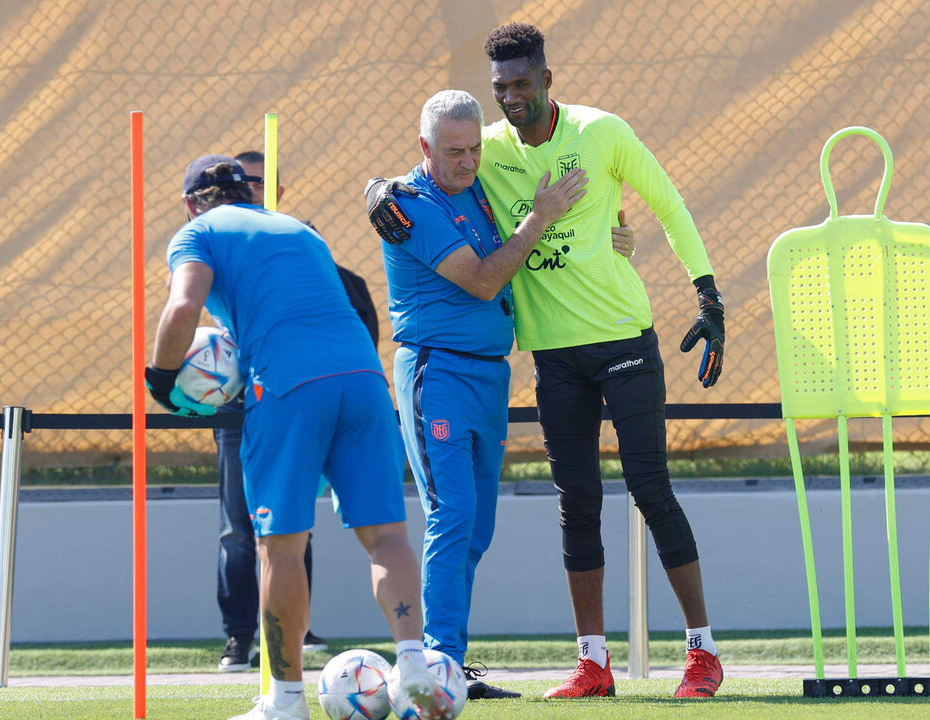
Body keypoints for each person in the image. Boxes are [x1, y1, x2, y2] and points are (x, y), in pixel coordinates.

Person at [366, 22, 727, 700]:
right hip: (534, 360)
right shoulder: (483, 154)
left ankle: (702, 653)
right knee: (566, 505)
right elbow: (431, 185)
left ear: (548, 80)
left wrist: (706, 292)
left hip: (621, 341)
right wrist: (377, 189)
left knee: (647, 490)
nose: (512, 100)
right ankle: (582, 664)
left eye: (523, 85)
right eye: (501, 88)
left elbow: (666, 202)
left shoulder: (596, 132)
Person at [146, 155, 451, 720]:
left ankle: (286, 702)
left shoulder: (196, 233)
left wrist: (162, 381)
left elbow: (184, 305)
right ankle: (412, 667)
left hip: (288, 385)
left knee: (279, 546)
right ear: (252, 193)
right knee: (387, 537)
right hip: (363, 381)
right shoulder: (295, 229)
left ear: (190, 204)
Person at [378, 89, 586, 700]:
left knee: (478, 526)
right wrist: (538, 218)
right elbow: (484, 277)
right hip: (436, 373)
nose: (468, 162)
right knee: (453, 513)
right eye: (453, 152)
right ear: (424, 148)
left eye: (474, 149)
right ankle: (438, 663)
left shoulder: (475, 182)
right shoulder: (410, 202)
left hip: (489, 374)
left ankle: (449, 658)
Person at [214, 151, 378, 672]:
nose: (252, 190)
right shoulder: (219, 254)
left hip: (301, 400)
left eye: (261, 182)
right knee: (241, 529)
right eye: (244, 183)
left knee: (292, 525)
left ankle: (292, 634)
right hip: (244, 409)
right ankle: (239, 637)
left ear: (278, 191)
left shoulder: (312, 249)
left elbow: (361, 322)